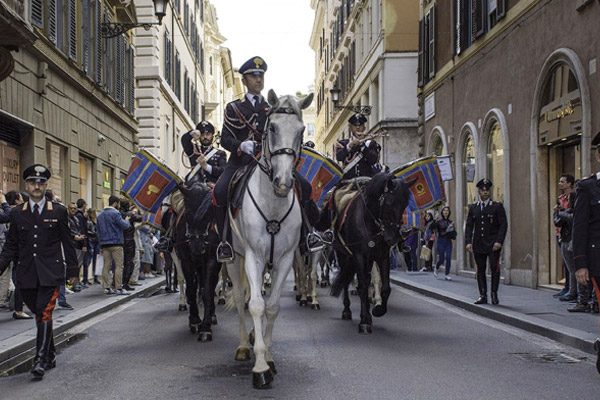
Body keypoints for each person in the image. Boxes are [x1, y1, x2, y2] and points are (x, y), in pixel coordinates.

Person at [212, 56, 321, 262]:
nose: (258, 80)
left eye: (261, 76)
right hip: (239, 163)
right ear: (244, 81)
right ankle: (224, 243)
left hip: (269, 163)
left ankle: (307, 236)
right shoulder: (233, 108)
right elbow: (225, 139)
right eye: (253, 76)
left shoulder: (272, 107)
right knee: (219, 191)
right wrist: (240, 145)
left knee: (305, 187)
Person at [0, 164, 78, 379]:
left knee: (44, 312)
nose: (37, 186)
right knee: (39, 313)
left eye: (41, 183)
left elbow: (68, 243)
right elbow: (11, 245)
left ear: (46, 186)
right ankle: (51, 353)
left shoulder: (59, 211)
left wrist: (73, 270)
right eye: (33, 183)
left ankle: (40, 358)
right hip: (26, 274)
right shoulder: (17, 214)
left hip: (50, 272)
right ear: (27, 185)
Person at [572, 132, 600, 374]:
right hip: (598, 260)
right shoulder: (588, 187)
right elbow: (579, 227)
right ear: (599, 156)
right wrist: (580, 263)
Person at [465, 178, 508, 305]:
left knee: (494, 268)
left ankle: (494, 294)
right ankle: (482, 294)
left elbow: (503, 225)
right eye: (482, 190)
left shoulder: (497, 206)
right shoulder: (474, 208)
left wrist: (499, 241)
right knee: (480, 269)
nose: (485, 192)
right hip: (478, 243)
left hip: (493, 244)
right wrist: (468, 242)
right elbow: (469, 226)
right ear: (478, 191)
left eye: (487, 190)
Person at [97, 195, 131, 295]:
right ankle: (118, 288)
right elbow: (124, 226)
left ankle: (106, 287)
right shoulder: (116, 213)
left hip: (104, 243)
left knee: (106, 266)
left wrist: (100, 244)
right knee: (119, 266)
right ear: (115, 203)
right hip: (116, 243)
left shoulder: (100, 215)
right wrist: (127, 220)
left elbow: (98, 231)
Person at [335, 113, 382, 180]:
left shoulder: (371, 144)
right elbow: (339, 157)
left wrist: (362, 145)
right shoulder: (343, 143)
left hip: (367, 181)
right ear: (350, 127)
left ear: (364, 127)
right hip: (348, 181)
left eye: (360, 125)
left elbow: (373, 160)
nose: (358, 127)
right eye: (355, 125)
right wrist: (349, 146)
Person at [181, 121, 227, 188]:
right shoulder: (194, 150)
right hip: (194, 188)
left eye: (208, 134)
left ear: (212, 135)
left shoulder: (220, 154)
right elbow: (184, 141)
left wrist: (206, 166)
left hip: (212, 189)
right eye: (202, 134)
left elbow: (223, 170)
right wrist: (191, 133)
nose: (205, 137)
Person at [554, 174, 576, 299]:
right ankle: (568, 287)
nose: (560, 184)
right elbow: (556, 218)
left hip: (570, 235)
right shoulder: (560, 198)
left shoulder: (573, 197)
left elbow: (570, 217)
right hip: (561, 234)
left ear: (569, 183)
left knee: (572, 266)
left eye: (562, 181)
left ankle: (573, 292)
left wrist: (560, 213)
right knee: (566, 264)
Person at [119, 199, 142, 290]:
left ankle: (118, 282)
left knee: (119, 263)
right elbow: (139, 218)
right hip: (129, 239)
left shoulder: (117, 213)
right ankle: (125, 283)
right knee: (129, 262)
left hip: (120, 240)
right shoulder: (129, 214)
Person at [432, 206, 457, 280]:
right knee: (442, 258)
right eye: (444, 211)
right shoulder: (439, 221)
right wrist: (434, 220)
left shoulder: (451, 222)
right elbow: (432, 227)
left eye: (447, 211)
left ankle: (447, 274)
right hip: (441, 240)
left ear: (449, 212)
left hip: (448, 241)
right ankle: (436, 267)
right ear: (442, 212)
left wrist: (452, 228)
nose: (446, 212)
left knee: (448, 257)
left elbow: (454, 234)